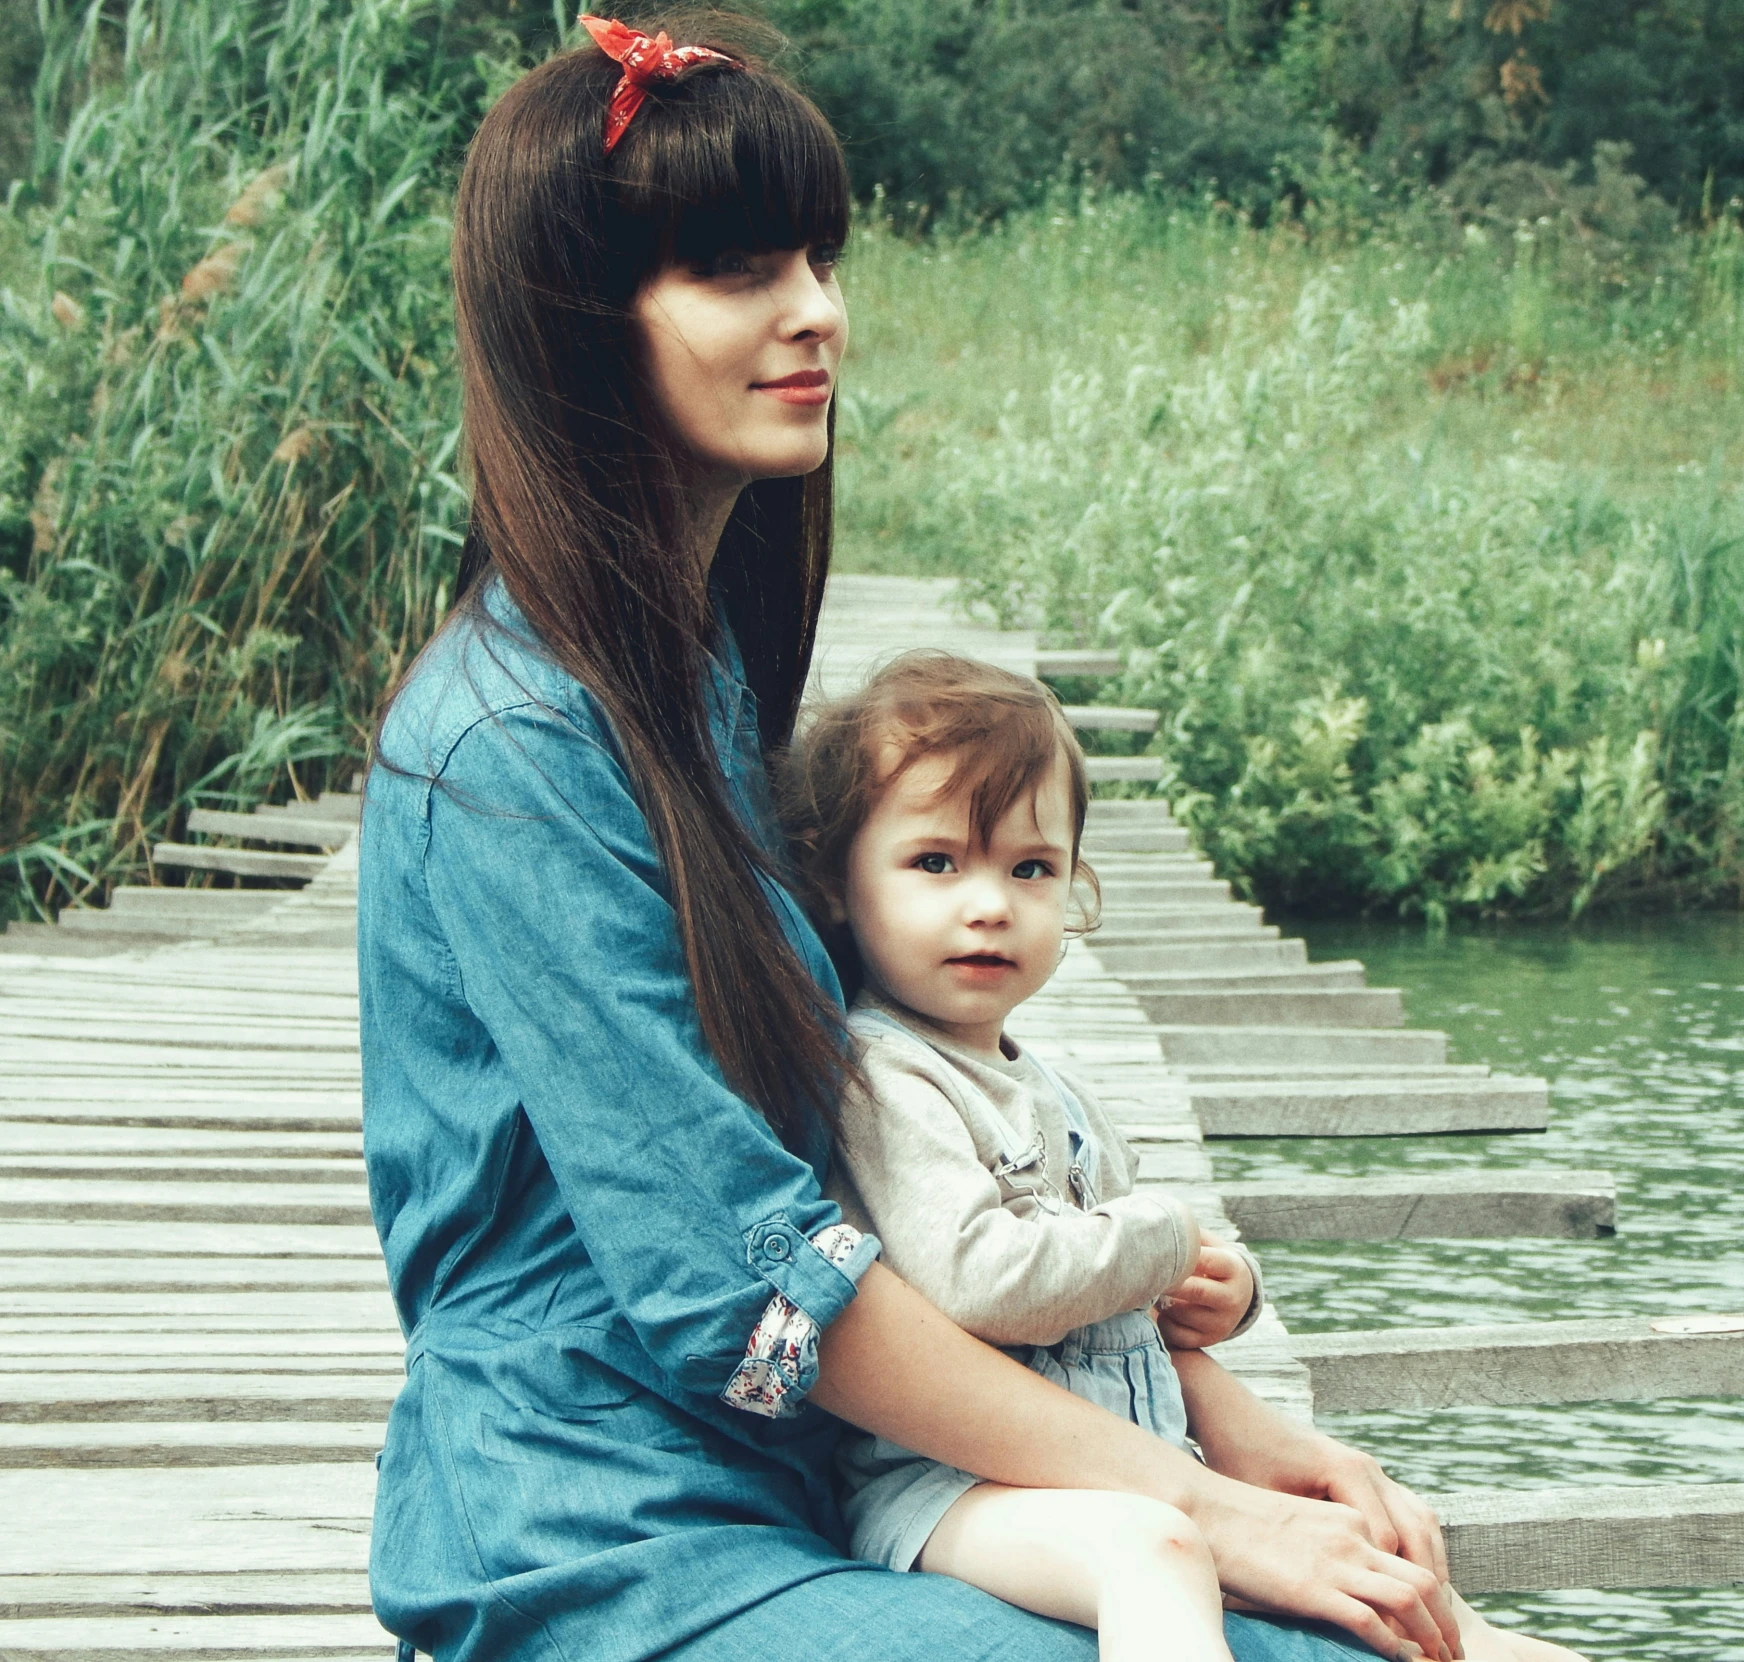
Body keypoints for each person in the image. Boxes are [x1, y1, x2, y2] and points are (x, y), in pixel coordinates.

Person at [358, 11, 1508, 1661]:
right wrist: (1205, 1509)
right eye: (740, 268)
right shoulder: (508, 751)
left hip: (827, 1485)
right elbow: (753, 1280)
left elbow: (913, 1152)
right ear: (578, 325)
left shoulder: (703, 678)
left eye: (819, 257)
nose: (817, 311)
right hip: (601, 1538)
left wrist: (1224, 1424)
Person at [776, 653, 1587, 1662]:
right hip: (952, 1493)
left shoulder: (1051, 1089)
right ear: (838, 882)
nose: (988, 904)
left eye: (1029, 869)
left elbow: (1136, 1294)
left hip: (1123, 1457)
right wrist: (1162, 1235)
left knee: (1388, 1569)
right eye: (935, 863)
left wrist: (1224, 1287)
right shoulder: (885, 1076)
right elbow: (981, 1282)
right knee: (1157, 1549)